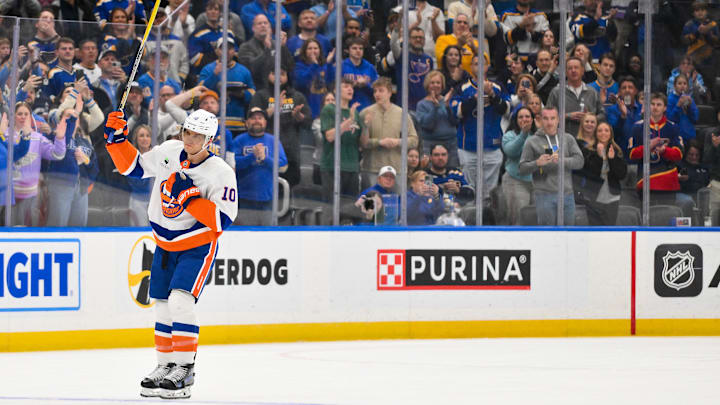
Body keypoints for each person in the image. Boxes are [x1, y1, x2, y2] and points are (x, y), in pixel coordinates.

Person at [105, 105, 237, 398]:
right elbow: (135, 167)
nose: (189, 139)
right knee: (162, 304)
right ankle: (164, 367)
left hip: (196, 246)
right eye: (187, 132)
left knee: (180, 301)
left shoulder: (221, 173)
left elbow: (221, 221)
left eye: (198, 135)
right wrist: (116, 142)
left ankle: (185, 369)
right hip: (164, 244)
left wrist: (188, 198)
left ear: (210, 140)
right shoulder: (169, 151)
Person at [451, 54, 510, 201]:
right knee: (469, 190)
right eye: (475, 63)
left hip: (492, 147)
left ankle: (487, 220)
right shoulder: (462, 88)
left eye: (482, 63)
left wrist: (492, 95)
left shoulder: (497, 87)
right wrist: (474, 99)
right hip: (468, 147)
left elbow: (507, 110)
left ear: (487, 66)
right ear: (471, 67)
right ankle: (470, 221)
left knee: (489, 194)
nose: (479, 66)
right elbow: (456, 112)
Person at [518, 106, 585, 225]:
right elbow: (522, 168)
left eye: (552, 118)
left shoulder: (568, 139)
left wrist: (562, 161)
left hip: (567, 195)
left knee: (568, 236)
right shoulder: (532, 141)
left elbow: (580, 161)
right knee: (547, 236)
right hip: (544, 195)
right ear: (540, 120)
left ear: (558, 119)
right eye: (546, 118)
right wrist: (537, 163)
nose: (549, 122)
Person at [249, 63, 312, 187]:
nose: (278, 77)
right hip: (267, 150)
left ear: (287, 77)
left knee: (289, 185)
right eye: (274, 73)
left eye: (282, 74)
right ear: (268, 76)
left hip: (291, 151)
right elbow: (251, 118)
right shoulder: (260, 95)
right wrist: (274, 108)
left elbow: (309, 123)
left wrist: (299, 117)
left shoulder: (297, 96)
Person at [2, 103, 64, 226]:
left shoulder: (38, 138)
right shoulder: (4, 135)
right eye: (19, 114)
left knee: (29, 233)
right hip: (9, 196)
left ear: (31, 117)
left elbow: (57, 154)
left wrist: (60, 138)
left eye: (26, 114)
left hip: (31, 197)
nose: (23, 117)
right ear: (13, 116)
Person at [229, 107, 288, 226]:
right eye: (253, 118)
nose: (257, 121)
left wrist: (265, 158)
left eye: (260, 118)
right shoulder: (239, 140)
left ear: (265, 122)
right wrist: (252, 156)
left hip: (268, 199)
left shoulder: (273, 141)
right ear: (247, 122)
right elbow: (231, 165)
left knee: (268, 238)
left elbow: (283, 166)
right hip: (243, 199)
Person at [45, 101, 99, 227]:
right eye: (68, 116)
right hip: (61, 186)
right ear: (60, 121)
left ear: (78, 121)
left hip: (81, 189)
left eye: (74, 117)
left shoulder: (85, 143)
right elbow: (59, 156)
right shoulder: (55, 138)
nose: (72, 119)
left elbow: (95, 169)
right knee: (58, 224)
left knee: (79, 227)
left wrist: (86, 161)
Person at [359, 77, 419, 189]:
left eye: (381, 90)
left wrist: (397, 142)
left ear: (390, 93)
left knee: (396, 205)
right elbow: (361, 143)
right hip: (372, 168)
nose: (377, 94)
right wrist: (379, 142)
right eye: (375, 91)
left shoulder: (402, 114)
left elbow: (414, 140)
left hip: (396, 168)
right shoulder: (365, 113)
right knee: (371, 204)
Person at [629, 93, 685, 209]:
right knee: (645, 221)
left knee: (666, 219)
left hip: (667, 181)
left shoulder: (672, 127)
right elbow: (631, 154)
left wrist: (664, 151)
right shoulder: (638, 127)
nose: (655, 107)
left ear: (665, 108)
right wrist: (647, 147)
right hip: (645, 181)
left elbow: (679, 154)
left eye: (659, 104)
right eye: (652, 104)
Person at [198, 37, 255, 136]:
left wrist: (242, 94)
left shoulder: (243, 70)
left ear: (234, 51)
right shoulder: (208, 69)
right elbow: (199, 91)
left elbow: (253, 92)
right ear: (217, 51)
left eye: (230, 48)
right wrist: (214, 75)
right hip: (213, 124)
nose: (226, 51)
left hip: (238, 124)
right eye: (222, 48)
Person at [576, 122, 627, 226]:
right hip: (593, 197)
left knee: (609, 231)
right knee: (594, 231)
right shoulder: (588, 151)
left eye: (606, 130)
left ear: (611, 134)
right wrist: (599, 157)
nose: (603, 133)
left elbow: (621, 175)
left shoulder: (617, 151)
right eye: (600, 130)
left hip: (612, 198)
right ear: (595, 133)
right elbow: (589, 175)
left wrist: (612, 160)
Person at [319, 80, 362, 202]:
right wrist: (350, 120)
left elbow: (361, 143)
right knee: (331, 210)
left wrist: (367, 126)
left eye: (352, 87)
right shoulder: (329, 109)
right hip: (332, 166)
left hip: (352, 167)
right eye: (346, 86)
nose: (350, 89)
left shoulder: (356, 113)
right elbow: (330, 136)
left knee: (349, 210)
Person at [546, 56, 605, 137]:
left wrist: (590, 119)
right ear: (565, 72)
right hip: (563, 141)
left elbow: (602, 115)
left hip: (588, 142)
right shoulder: (556, 92)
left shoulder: (592, 92)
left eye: (576, 67)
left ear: (582, 71)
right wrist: (567, 116)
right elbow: (547, 117)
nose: (573, 70)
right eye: (570, 68)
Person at [237, 14, 294, 92]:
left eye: (265, 23)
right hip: (258, 91)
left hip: (279, 91)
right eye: (259, 23)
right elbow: (251, 69)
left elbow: (290, 67)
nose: (263, 25)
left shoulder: (277, 45)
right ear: (253, 28)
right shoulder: (245, 47)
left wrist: (283, 48)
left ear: (270, 27)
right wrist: (267, 50)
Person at [415, 70, 459, 167]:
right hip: (429, 145)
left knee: (452, 174)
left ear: (442, 85)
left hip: (450, 144)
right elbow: (427, 125)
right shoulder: (421, 104)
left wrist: (447, 106)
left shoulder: (448, 100)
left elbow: (455, 121)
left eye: (438, 83)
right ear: (427, 85)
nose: (435, 85)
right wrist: (435, 107)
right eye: (432, 83)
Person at [502, 106, 535, 225]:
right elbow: (511, 151)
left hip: (537, 183)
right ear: (516, 120)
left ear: (532, 119)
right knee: (519, 219)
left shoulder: (538, 135)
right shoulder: (509, 136)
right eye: (521, 117)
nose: (524, 119)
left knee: (536, 219)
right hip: (516, 181)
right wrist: (523, 135)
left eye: (527, 116)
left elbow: (549, 151)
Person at [387, 27, 433, 111]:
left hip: (424, 108)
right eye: (415, 37)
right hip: (405, 107)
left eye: (421, 37)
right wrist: (397, 26)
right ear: (408, 39)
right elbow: (393, 44)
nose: (418, 39)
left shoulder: (429, 60)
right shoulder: (402, 55)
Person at [390, 0, 445, 66]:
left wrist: (433, 21)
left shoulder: (436, 11)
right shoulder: (399, 10)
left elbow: (440, 39)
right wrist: (416, 23)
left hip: (431, 59)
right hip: (407, 58)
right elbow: (395, 36)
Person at [293, 38, 334, 120]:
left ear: (320, 51)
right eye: (310, 48)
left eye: (315, 48)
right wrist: (314, 65)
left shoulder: (324, 66)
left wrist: (329, 63)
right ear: (304, 51)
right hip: (307, 110)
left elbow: (330, 80)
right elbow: (302, 82)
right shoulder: (298, 66)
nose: (313, 51)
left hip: (324, 109)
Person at [342, 37, 378, 111]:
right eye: (354, 48)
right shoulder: (341, 66)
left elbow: (377, 91)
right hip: (346, 109)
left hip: (366, 108)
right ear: (348, 50)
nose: (358, 51)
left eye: (361, 48)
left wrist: (366, 84)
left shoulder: (370, 67)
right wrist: (352, 84)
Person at [127, 124, 153, 226]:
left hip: (154, 201)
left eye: (148, 135)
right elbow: (135, 182)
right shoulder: (131, 157)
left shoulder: (158, 154)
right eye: (141, 135)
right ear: (136, 139)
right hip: (137, 202)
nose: (145, 139)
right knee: (139, 234)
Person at [667, 73, 699, 144]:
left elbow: (695, 118)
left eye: (685, 83)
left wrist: (690, 106)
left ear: (687, 86)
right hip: (676, 136)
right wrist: (678, 106)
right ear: (675, 86)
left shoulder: (690, 99)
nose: (682, 86)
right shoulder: (670, 99)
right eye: (679, 83)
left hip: (690, 135)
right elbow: (670, 119)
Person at [678, 140, 709, 205]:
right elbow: (684, 185)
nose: (694, 157)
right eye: (691, 154)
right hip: (686, 199)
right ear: (686, 153)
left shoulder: (704, 167)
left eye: (697, 155)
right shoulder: (682, 166)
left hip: (702, 199)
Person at [702, 124, 720, 224]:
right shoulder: (713, 134)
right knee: (715, 215)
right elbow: (706, 159)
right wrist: (715, 146)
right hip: (717, 182)